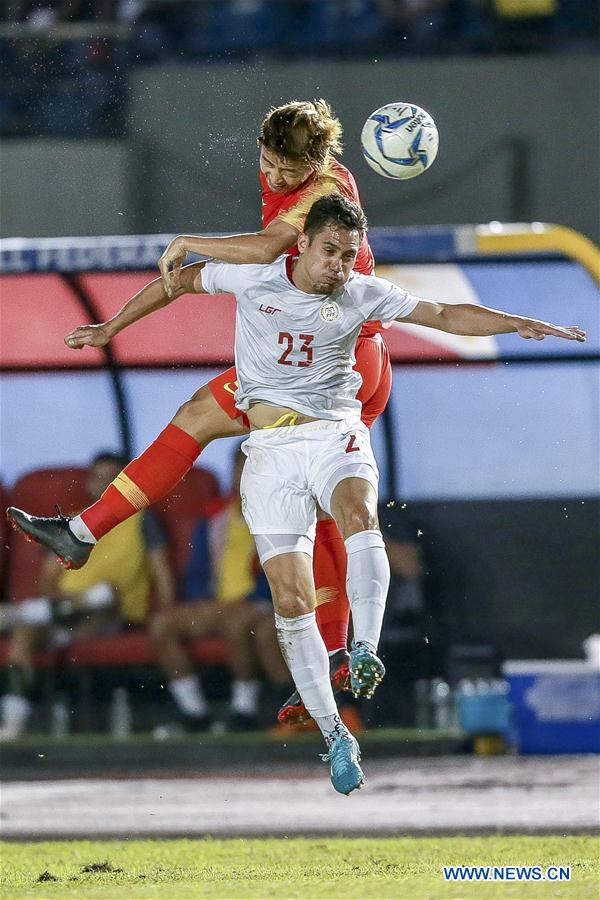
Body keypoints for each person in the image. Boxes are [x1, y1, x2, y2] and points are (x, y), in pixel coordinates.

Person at [11, 194, 585, 791]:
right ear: (303, 244)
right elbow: (178, 282)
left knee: (359, 516)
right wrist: (111, 327)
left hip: (335, 435)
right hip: (270, 457)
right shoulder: (255, 276)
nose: (338, 265)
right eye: (329, 252)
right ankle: (337, 734)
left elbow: (443, 314)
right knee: (290, 601)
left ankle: (364, 647)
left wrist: (515, 321)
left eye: (346, 255)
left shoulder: (361, 292)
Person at [7, 99, 389, 727]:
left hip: (326, 359)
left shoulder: (316, 195)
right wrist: (111, 326)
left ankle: (82, 533)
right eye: (266, 161)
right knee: (307, 494)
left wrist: (189, 241)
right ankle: (335, 657)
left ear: (315, 163)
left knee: (222, 439)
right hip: (334, 357)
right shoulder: (302, 169)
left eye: (284, 167)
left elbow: (268, 244)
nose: (273, 174)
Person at [0, 451, 175, 740]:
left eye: (113, 479)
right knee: (24, 635)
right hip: (69, 612)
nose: (104, 485)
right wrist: (60, 600)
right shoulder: (73, 520)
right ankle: (13, 723)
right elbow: (49, 579)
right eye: (99, 478)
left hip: (118, 611)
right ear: (89, 483)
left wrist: (165, 610)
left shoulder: (143, 519)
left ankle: (28, 613)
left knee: (105, 595)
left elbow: (162, 571)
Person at [150, 446, 292, 733]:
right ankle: (194, 712)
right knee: (162, 624)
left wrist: (254, 599)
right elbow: (198, 569)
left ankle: (245, 710)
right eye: (239, 469)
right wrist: (200, 599)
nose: (244, 477)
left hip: (262, 604)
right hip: (217, 604)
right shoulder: (214, 517)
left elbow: (283, 570)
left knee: (238, 623)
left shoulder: (281, 516)